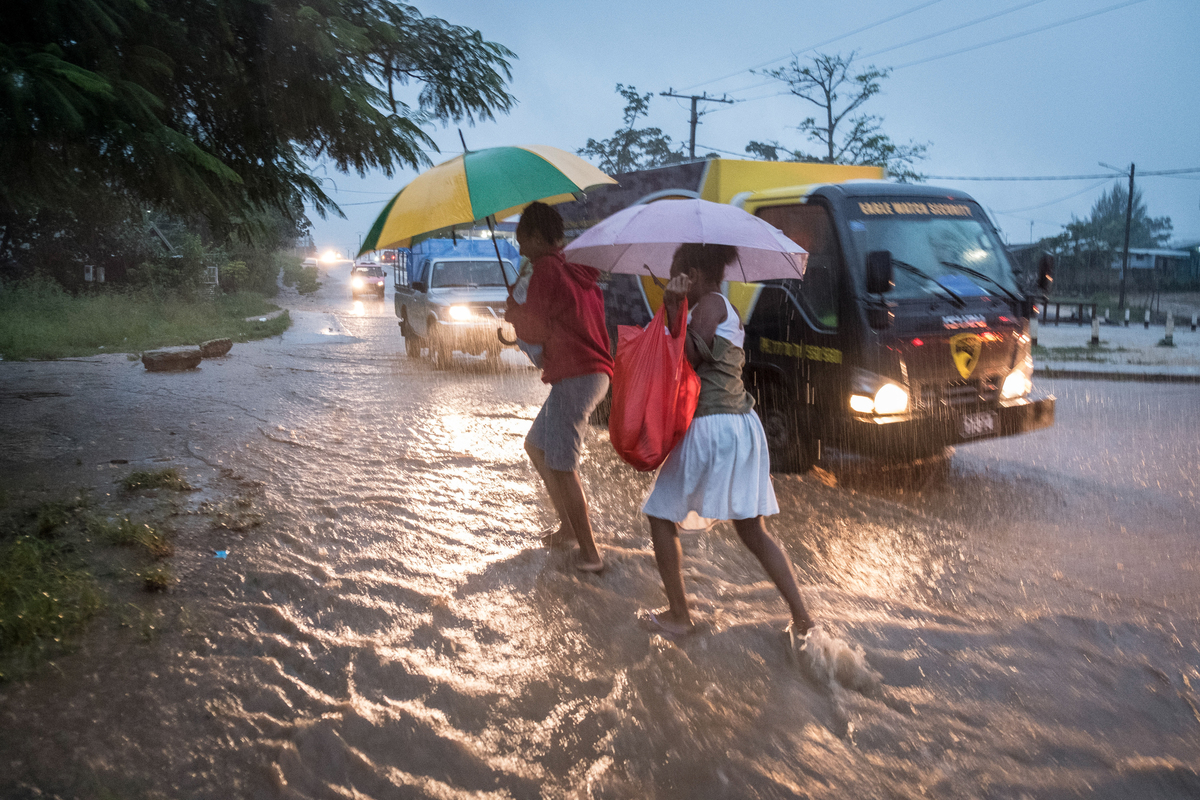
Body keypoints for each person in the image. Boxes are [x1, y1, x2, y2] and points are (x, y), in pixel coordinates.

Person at [641, 243, 814, 639]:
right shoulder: (728, 309)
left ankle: (678, 614)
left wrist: (672, 308)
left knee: (659, 515)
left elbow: (686, 359)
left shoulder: (709, 306)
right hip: (741, 424)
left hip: (713, 424)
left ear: (694, 276)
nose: (673, 283)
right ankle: (803, 617)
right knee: (753, 530)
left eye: (677, 276)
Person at [505, 202, 614, 572]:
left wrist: (514, 308)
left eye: (522, 242)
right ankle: (568, 528)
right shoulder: (575, 267)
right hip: (592, 374)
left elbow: (533, 328)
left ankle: (590, 553)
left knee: (563, 465)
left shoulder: (547, 269)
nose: (520, 250)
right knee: (536, 446)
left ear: (536, 238)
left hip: (576, 375)